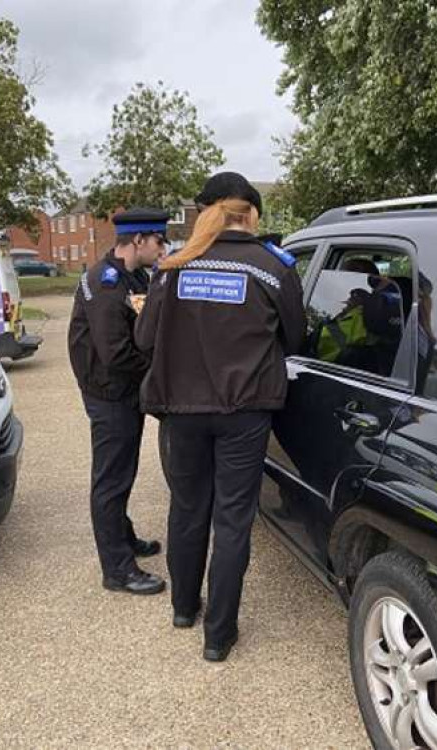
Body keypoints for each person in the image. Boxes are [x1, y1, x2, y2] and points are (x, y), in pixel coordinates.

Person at [135, 173, 306, 661]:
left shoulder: (173, 266)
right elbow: (295, 340)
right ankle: (218, 635)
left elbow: (145, 341)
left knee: (188, 509)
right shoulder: (275, 268)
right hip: (245, 412)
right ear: (251, 214)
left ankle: (184, 608)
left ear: (205, 213)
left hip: (183, 412)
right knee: (232, 520)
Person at [68, 208, 171, 596]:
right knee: (111, 480)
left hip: (121, 390)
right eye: (159, 241)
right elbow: (117, 354)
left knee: (121, 471)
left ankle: (123, 538)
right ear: (138, 240)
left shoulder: (132, 276)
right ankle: (117, 569)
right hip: (110, 392)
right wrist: (162, 368)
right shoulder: (107, 282)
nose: (163, 247)